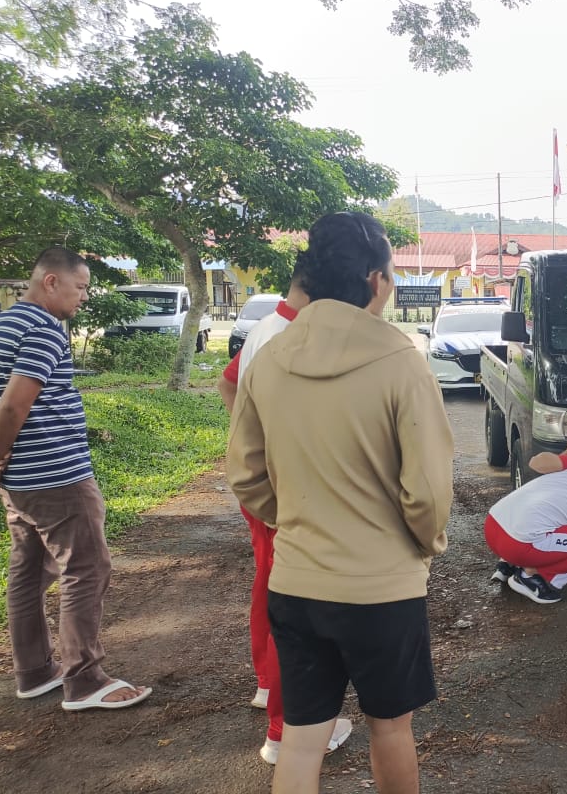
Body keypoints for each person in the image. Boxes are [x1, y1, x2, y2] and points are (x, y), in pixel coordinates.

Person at [227, 212, 453, 794]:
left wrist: (296, 520)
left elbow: (246, 475)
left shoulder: (269, 356)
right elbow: (428, 492)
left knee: (302, 739)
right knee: (391, 729)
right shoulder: (402, 360)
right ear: (376, 280)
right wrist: (421, 545)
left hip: (296, 581)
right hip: (384, 589)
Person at [0, 247, 150, 710]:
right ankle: (84, 680)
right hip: (56, 475)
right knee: (87, 568)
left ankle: (34, 672)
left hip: (20, 479)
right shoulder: (43, 328)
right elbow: (13, 404)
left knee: (29, 570)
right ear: (51, 282)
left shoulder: (4, 325)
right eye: (80, 287)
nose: (83, 297)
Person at [218, 266, 352, 765]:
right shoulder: (294, 336)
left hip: (263, 484)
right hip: (284, 489)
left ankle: (266, 685)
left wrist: (248, 439)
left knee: (271, 585)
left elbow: (226, 384)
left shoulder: (266, 327)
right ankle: (283, 729)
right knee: (294, 606)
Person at [485, 441, 567, 605]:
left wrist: (561, 459)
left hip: (492, 525)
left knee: (544, 519)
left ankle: (507, 565)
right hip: (515, 545)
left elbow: (534, 462)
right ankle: (530, 577)